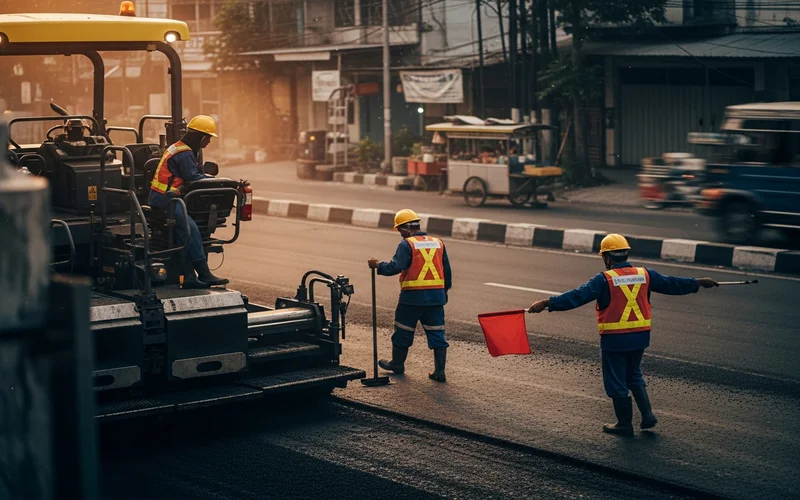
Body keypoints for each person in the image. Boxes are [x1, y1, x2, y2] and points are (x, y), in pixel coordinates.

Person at [527, 234, 718, 436]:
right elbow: (672, 283)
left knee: (616, 380)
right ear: (626, 253)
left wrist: (547, 303)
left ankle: (624, 424)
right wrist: (697, 282)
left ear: (607, 258)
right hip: (640, 337)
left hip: (615, 339)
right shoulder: (645, 274)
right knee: (633, 374)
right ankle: (648, 415)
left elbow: (577, 296)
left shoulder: (604, 279)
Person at [368, 209, 452, 382]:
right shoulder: (438, 243)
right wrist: (445, 292)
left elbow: (396, 266)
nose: (400, 234)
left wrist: (378, 265)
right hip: (436, 299)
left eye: (399, 230)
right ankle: (440, 371)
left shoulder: (407, 244)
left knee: (403, 331)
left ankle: (397, 364)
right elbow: (447, 271)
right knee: (437, 334)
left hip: (411, 300)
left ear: (406, 229)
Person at [148, 115, 228, 289]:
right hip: (165, 199)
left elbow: (193, 176)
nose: (208, 142)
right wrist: (221, 181)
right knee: (189, 228)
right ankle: (204, 272)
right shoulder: (184, 153)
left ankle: (190, 276)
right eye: (208, 138)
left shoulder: (181, 149)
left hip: (167, 198)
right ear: (200, 136)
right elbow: (194, 179)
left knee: (183, 231)